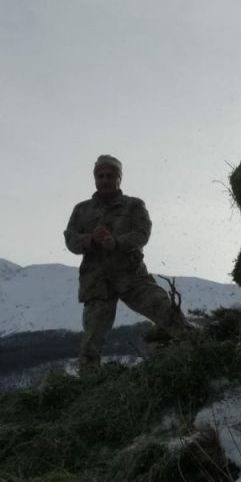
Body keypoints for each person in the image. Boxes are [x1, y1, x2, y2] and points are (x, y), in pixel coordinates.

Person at [64, 154, 190, 371]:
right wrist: (90, 239)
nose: (104, 180)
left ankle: (199, 348)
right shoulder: (81, 210)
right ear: (95, 178)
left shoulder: (134, 206)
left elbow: (142, 234)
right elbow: (71, 241)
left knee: (166, 311)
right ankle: (88, 381)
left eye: (109, 175)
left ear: (119, 178)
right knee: (91, 341)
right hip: (96, 283)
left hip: (131, 276)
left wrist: (116, 243)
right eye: (100, 175)